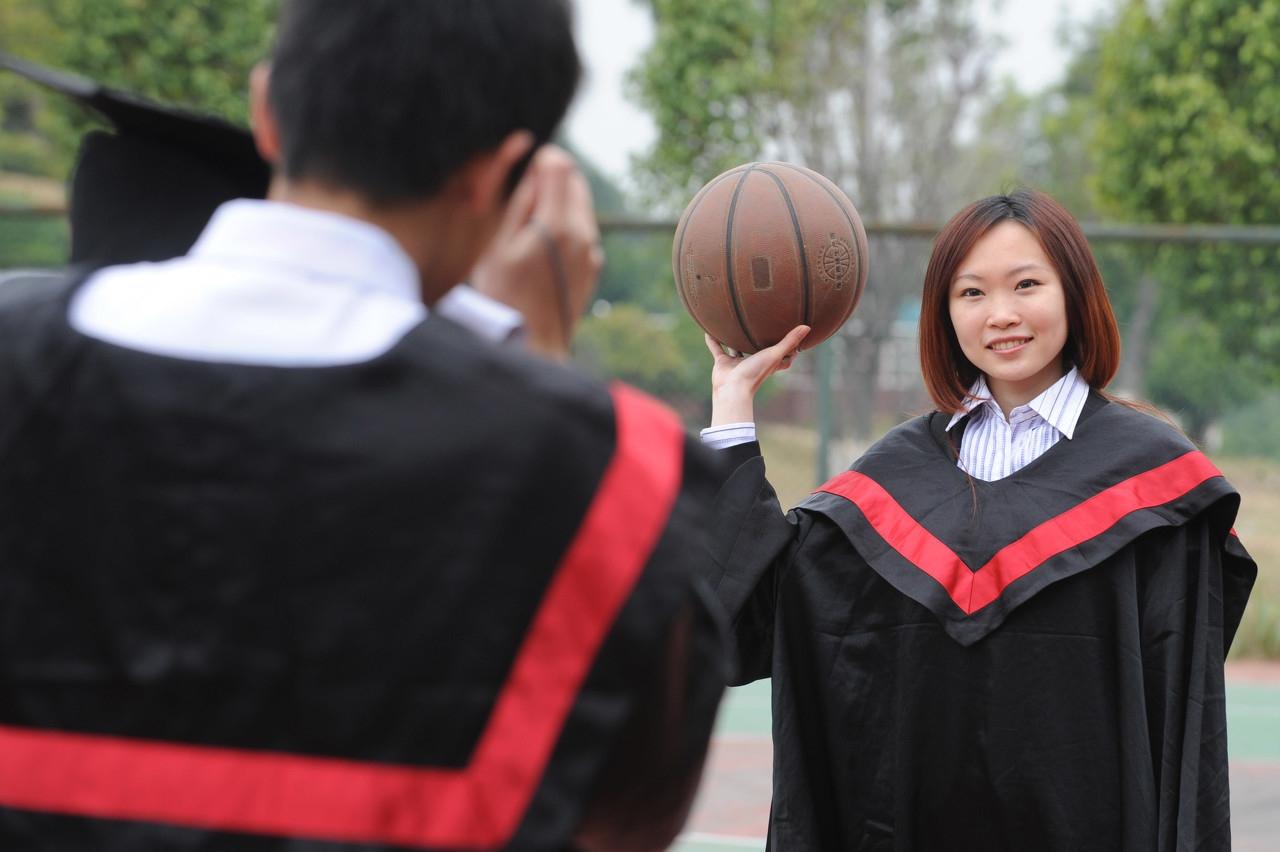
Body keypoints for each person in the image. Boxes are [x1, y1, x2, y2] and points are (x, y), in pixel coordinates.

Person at [0, 2, 728, 850]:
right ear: (507, 177)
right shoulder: (602, 476)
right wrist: (539, 369)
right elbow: (624, 817)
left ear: (268, 109)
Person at [700, 190, 1257, 851]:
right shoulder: (890, 482)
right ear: (945, 314)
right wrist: (731, 404)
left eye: (1027, 285)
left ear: (1074, 293)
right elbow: (744, 621)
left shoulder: (1156, 484)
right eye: (971, 294)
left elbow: (1181, 716)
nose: (1002, 315)